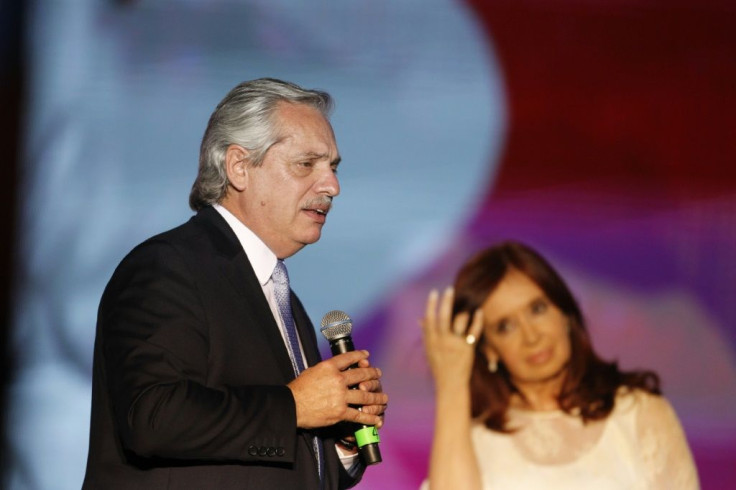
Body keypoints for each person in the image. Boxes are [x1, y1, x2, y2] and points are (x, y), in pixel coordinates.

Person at [82, 78, 388, 489]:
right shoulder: (166, 266)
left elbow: (274, 459)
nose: (332, 186)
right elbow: (153, 417)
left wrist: (343, 441)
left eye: (332, 167)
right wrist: (295, 405)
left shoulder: (282, 297)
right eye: (306, 164)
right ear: (239, 167)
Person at [420, 241, 699, 490]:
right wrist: (451, 383)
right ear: (489, 350)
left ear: (564, 312)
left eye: (537, 309)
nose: (531, 336)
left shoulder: (637, 413)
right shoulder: (470, 441)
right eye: (505, 326)